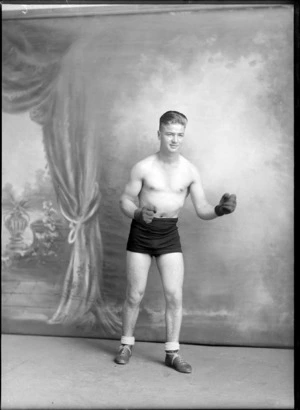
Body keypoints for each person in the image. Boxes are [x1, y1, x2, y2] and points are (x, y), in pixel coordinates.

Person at [114, 111, 236, 373]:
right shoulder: (143, 167)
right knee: (134, 294)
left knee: (174, 295)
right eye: (169, 134)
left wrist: (218, 210)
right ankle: (125, 345)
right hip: (142, 232)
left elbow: (202, 208)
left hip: (169, 235)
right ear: (159, 134)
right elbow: (124, 199)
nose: (175, 139)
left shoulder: (190, 170)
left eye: (180, 135)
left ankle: (172, 352)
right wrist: (136, 212)